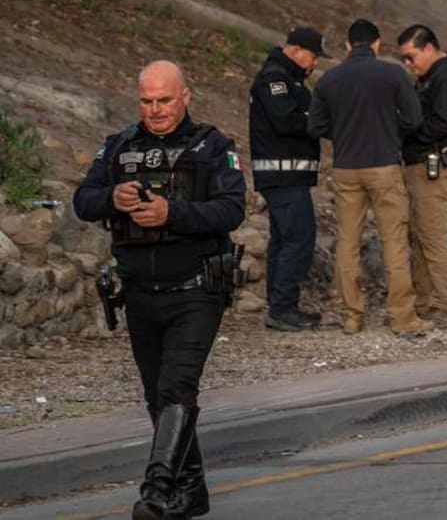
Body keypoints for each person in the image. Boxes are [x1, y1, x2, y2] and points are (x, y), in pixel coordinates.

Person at [73, 61, 246, 520]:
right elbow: (82, 201)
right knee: (158, 396)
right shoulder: (119, 147)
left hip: (196, 291)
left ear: (185, 96)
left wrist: (173, 213)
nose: (155, 110)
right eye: (147, 101)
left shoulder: (214, 147)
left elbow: (231, 210)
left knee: (176, 388)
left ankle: (156, 492)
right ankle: (191, 493)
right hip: (139, 293)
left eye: (164, 100)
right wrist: (113, 198)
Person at [307, 19, 429, 337]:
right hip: (384, 165)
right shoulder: (392, 74)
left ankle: (352, 316)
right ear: (377, 45)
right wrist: (390, 131)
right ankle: (402, 318)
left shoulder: (329, 80)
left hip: (346, 167)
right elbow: (414, 119)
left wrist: (344, 133)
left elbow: (315, 128)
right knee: (394, 241)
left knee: (347, 242)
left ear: (348, 46)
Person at [395, 24, 447, 328]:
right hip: (424, 160)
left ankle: (442, 302)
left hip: (435, 163)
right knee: (421, 233)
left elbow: (445, 120)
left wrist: (408, 133)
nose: (408, 64)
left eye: (410, 56)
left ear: (429, 48)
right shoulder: (432, 77)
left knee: (432, 233)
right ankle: (426, 299)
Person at [249, 26, 327, 332]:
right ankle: (283, 308)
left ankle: (279, 306)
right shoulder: (275, 78)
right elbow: (286, 120)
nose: (315, 62)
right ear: (294, 50)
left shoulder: (287, 77)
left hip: (287, 175)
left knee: (283, 240)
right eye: (313, 55)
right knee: (298, 239)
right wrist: (318, 120)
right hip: (283, 176)